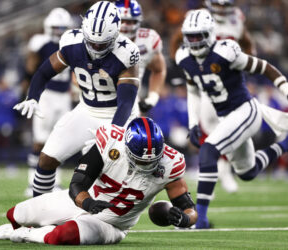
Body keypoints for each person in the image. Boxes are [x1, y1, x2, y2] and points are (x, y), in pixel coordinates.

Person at [0, 117, 197, 245]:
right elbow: (77, 184)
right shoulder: (110, 141)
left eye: (151, 160)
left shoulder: (171, 163)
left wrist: (186, 219)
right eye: (140, 160)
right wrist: (88, 202)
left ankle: (29, 235)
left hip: (113, 224)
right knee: (15, 214)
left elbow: (189, 208)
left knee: (64, 235)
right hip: (84, 201)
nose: (146, 165)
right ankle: (34, 227)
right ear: (126, 148)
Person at [13, 1, 141, 197]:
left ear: (115, 35)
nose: (96, 47)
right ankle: (38, 211)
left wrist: (114, 132)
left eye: (102, 43)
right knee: (46, 159)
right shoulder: (72, 42)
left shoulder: (126, 53)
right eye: (92, 41)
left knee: (106, 177)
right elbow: (44, 72)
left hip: (117, 117)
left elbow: (126, 102)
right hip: (86, 110)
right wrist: (33, 96)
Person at [175, 9, 288, 229]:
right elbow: (193, 90)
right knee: (248, 172)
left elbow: (265, 68)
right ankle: (284, 144)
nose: (195, 41)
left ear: (210, 34)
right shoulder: (184, 57)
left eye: (199, 36)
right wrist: (192, 122)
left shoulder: (226, 52)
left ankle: (201, 219)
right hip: (226, 116)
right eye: (191, 36)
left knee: (209, 150)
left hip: (246, 110)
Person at [170, 0, 256, 193]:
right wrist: (183, 69)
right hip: (206, 80)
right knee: (207, 125)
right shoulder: (198, 18)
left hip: (229, 82)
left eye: (225, 5)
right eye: (218, 4)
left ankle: (225, 168)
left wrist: (245, 69)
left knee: (231, 126)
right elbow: (177, 40)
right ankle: (217, 169)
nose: (222, 9)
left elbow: (248, 44)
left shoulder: (237, 19)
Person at [24, 8, 73, 196]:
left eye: (63, 27)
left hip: (65, 96)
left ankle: (55, 182)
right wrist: (30, 94)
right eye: (56, 27)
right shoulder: (40, 43)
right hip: (46, 95)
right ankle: (31, 182)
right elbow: (30, 68)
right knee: (39, 140)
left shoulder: (72, 42)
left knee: (59, 141)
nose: (59, 31)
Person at [115, 0, 166, 114]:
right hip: (96, 102)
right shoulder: (99, 39)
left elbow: (158, 70)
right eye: (121, 21)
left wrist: (152, 98)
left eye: (129, 21)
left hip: (130, 103)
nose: (124, 26)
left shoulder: (148, 40)